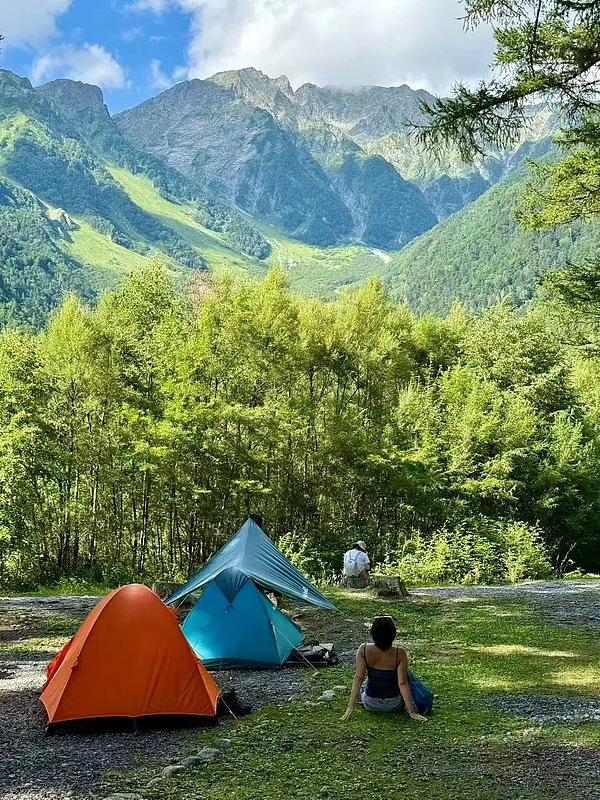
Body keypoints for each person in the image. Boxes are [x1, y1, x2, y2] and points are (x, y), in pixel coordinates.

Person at [342, 615, 432, 721]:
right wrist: (411, 712)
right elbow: (402, 683)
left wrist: (350, 707)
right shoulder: (400, 653)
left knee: (366, 681)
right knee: (406, 674)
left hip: (370, 704)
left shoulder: (364, 649)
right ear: (392, 634)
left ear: (373, 633)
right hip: (394, 705)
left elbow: (358, 677)